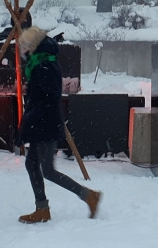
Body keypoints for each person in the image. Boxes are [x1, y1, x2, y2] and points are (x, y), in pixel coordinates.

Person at [15, 26, 101, 224]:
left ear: (31, 47)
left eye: (24, 48)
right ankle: (42, 208)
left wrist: (32, 121)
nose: (22, 53)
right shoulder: (41, 63)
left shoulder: (44, 65)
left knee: (48, 170)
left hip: (44, 124)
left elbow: (46, 98)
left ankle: (89, 196)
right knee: (32, 164)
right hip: (41, 123)